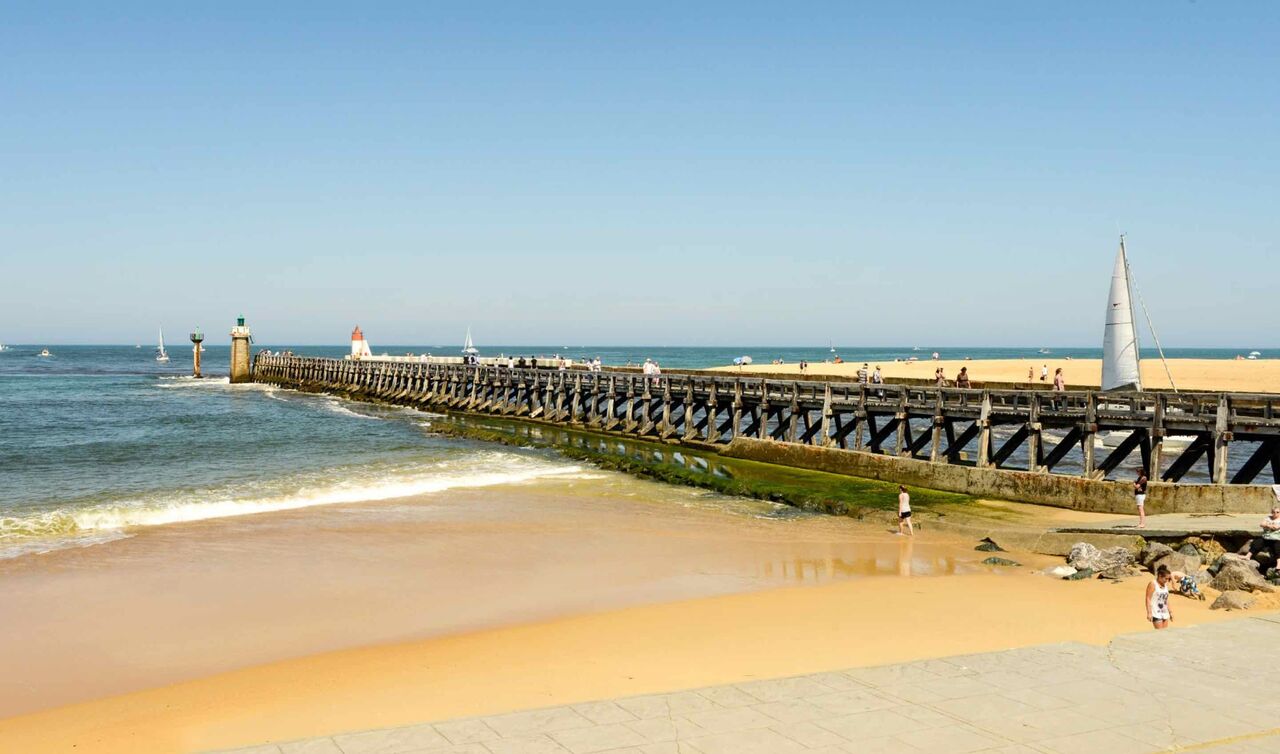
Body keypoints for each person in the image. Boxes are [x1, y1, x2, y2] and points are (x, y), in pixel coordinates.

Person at [1146, 564, 1173, 629]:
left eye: (1168, 579)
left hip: (1165, 612)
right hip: (1156, 612)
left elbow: (1166, 600)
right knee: (1160, 633)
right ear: (1160, 576)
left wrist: (1170, 612)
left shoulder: (1165, 585)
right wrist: (1149, 612)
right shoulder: (1153, 584)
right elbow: (1148, 598)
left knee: (1165, 633)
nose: (1167, 581)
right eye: (1165, 578)